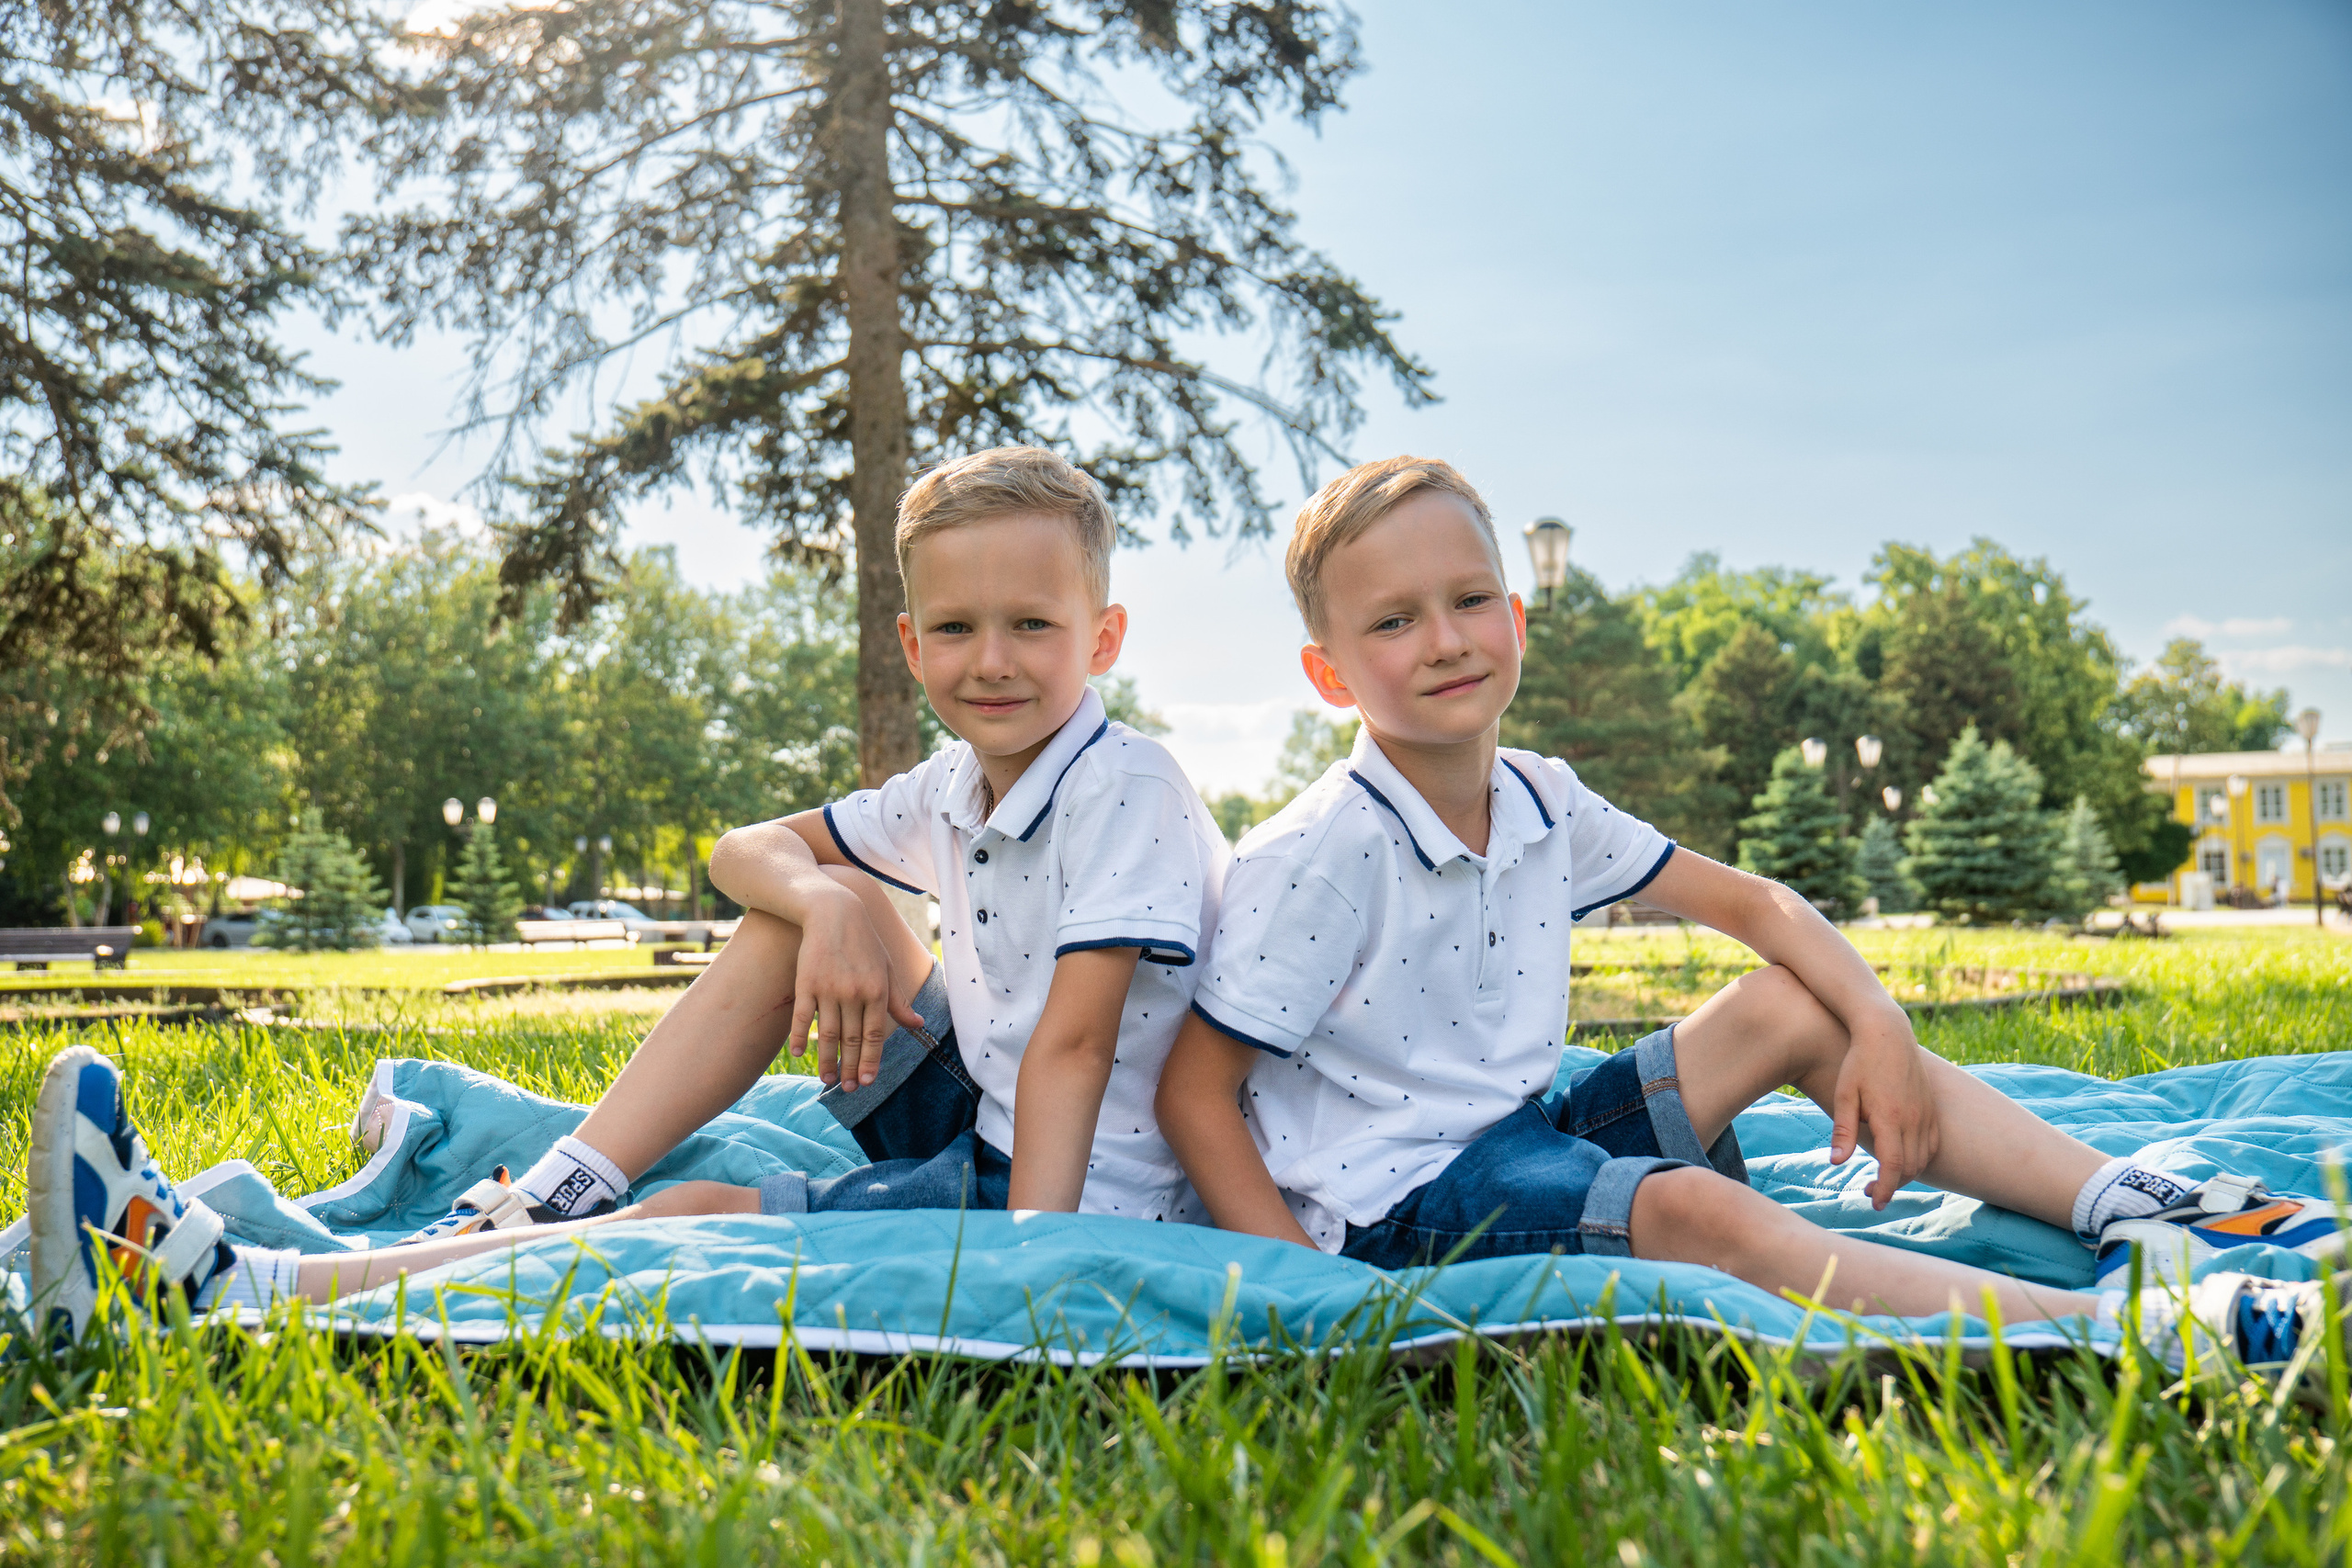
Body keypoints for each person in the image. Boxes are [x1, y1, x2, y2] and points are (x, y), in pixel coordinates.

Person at [1153, 455, 2347, 1376]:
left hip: (1529, 1134)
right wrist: (1316, 1294)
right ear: (1330, 672)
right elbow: (1196, 1094)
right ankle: (2116, 1328)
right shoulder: (1322, 854)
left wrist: (1876, 1021)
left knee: (1791, 1005)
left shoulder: (1539, 797)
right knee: (1694, 1209)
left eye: (1469, 600)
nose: (1446, 640)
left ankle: (2134, 1204)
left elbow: (1758, 905)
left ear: (1515, 619)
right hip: (1398, 1214)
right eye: (1393, 620)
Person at [25, 446, 1228, 1336]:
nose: (994, 660)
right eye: (958, 628)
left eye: (1032, 624)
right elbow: (742, 849)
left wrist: (1031, 1265)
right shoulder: (955, 783)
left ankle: (253, 1290)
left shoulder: (1127, 786)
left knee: (692, 1212)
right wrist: (828, 904)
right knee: (803, 896)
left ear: (1103, 637)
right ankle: (561, 1193)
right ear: (913, 646)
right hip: (993, 1119)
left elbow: (1077, 1048)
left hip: (1077, 1188)